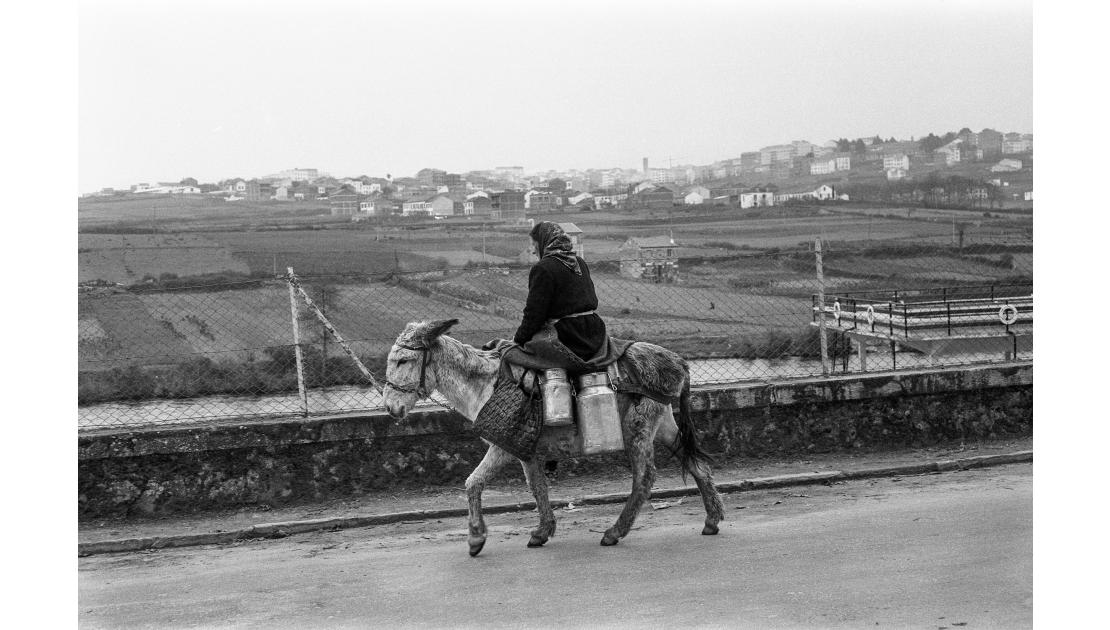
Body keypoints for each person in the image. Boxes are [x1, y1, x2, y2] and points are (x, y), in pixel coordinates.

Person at [512, 221, 607, 366]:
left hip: (568, 336)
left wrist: (518, 340)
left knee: (513, 358)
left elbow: (534, 315)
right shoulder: (579, 262)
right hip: (594, 331)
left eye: (535, 245)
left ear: (544, 242)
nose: (533, 250)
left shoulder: (543, 268)